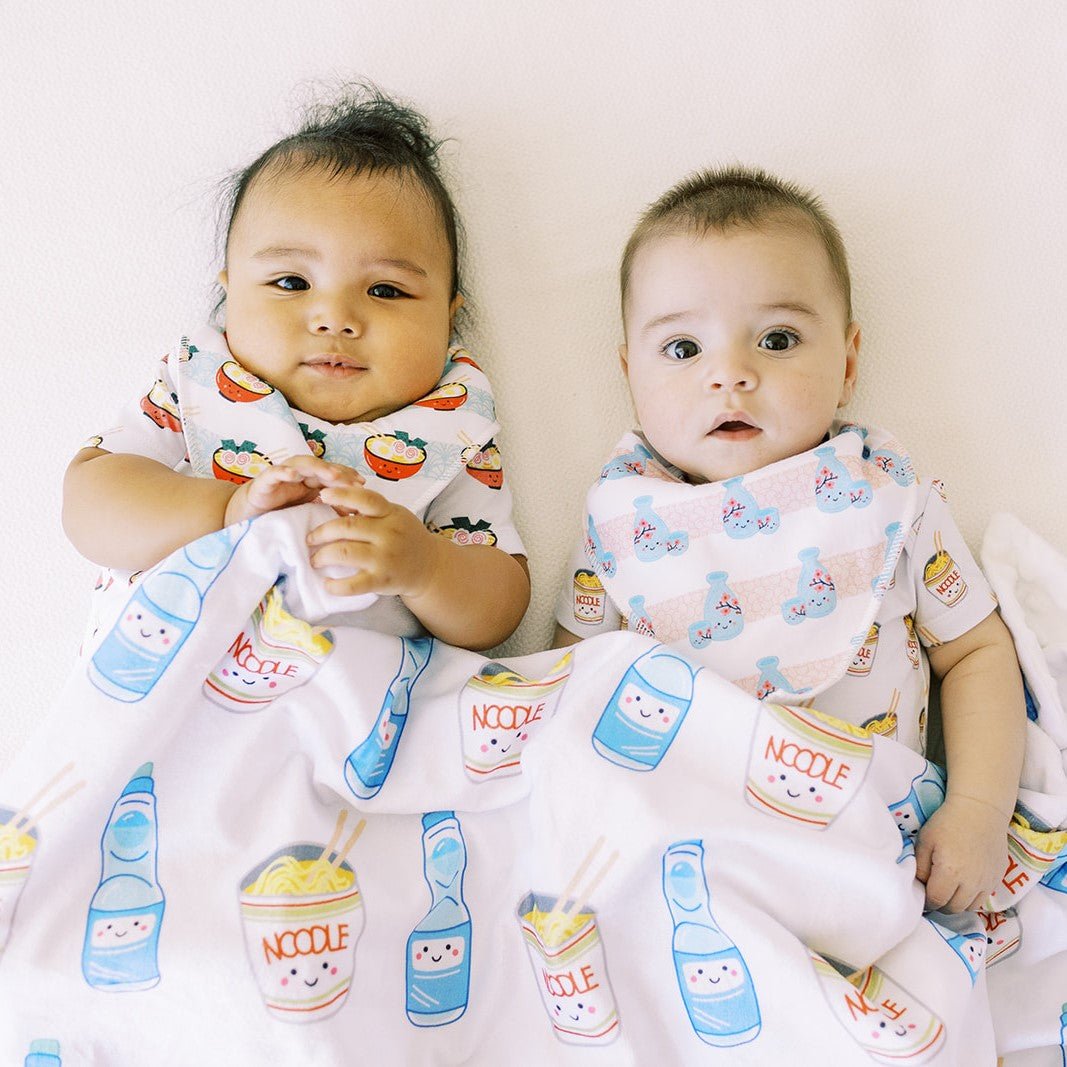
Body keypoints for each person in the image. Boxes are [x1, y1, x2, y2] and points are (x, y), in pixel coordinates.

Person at [553, 166, 1025, 914]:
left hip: (880, 849)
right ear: (628, 373)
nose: (730, 375)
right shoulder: (623, 520)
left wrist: (976, 809)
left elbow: (974, 650)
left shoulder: (880, 496)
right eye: (682, 349)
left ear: (845, 362)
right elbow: (575, 694)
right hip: (689, 861)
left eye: (776, 339)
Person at [63, 86, 530, 652]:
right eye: (291, 283)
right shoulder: (200, 384)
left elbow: (500, 606)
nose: (335, 317)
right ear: (230, 294)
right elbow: (90, 503)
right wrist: (228, 508)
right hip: (179, 676)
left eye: (386, 289)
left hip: (364, 713)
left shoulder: (451, 421)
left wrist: (428, 567)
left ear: (448, 318)